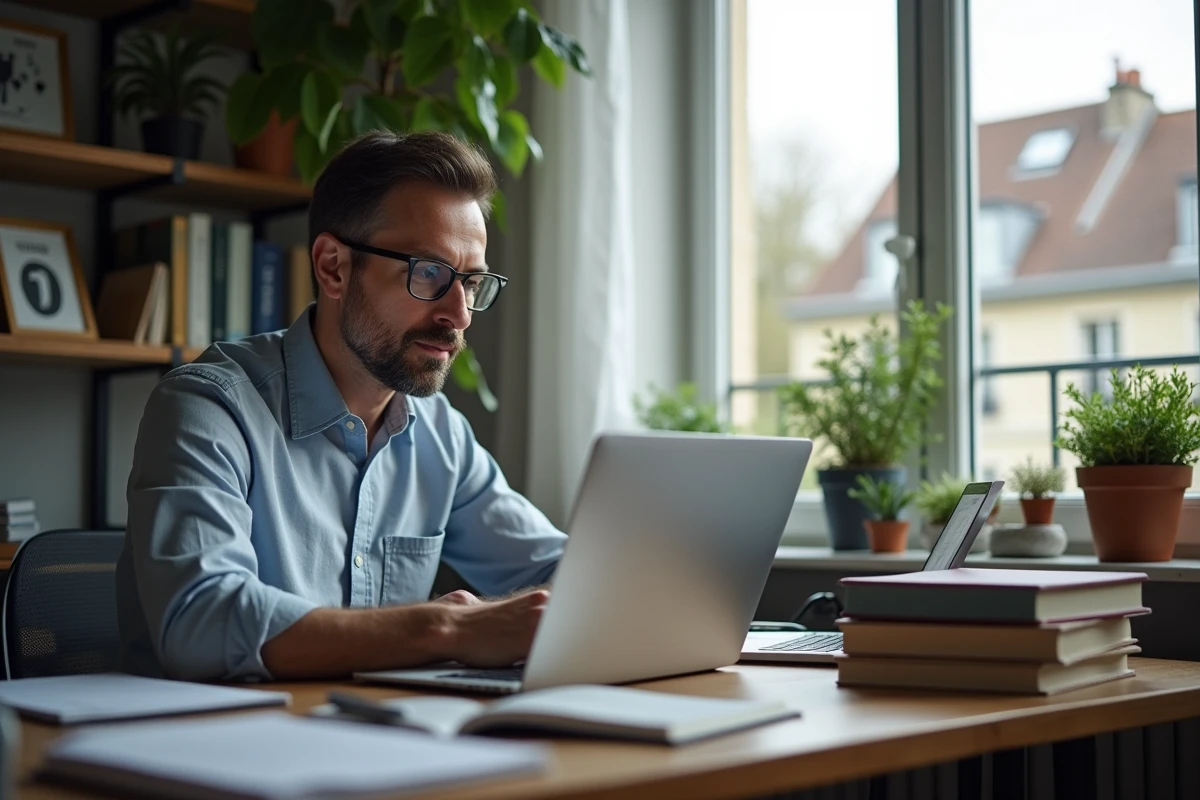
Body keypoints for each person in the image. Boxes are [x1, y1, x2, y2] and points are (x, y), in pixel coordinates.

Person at [115, 131, 567, 682]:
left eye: (471, 282)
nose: (461, 313)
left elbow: (563, 570)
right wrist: (447, 629)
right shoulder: (208, 407)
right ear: (333, 266)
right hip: (204, 749)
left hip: (383, 740)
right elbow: (202, 619)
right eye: (429, 272)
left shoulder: (441, 437)